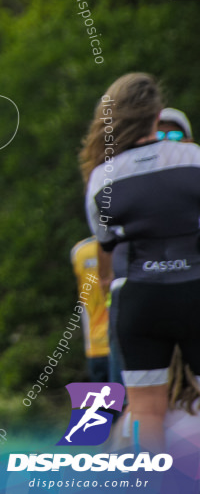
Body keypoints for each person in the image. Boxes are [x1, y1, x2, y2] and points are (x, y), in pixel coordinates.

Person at [80, 73, 200, 453]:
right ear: (155, 115)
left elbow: (106, 244)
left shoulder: (101, 178)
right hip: (194, 289)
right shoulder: (194, 158)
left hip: (138, 300)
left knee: (146, 411)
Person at [69, 236, 109, 382]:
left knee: (93, 404)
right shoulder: (124, 245)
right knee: (130, 404)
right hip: (124, 345)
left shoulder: (79, 250)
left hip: (94, 346)